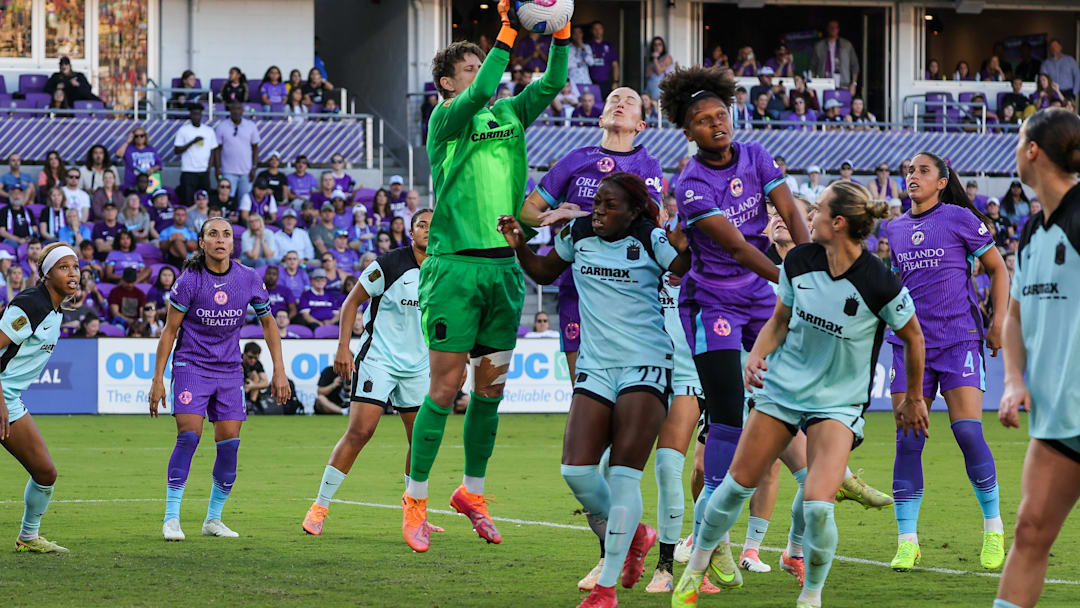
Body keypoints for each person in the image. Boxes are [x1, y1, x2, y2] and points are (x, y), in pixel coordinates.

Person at [670, 182, 925, 608]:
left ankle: (811, 597)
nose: (810, 217)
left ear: (837, 223)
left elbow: (914, 338)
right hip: (783, 391)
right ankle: (694, 570)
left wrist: (914, 397)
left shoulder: (880, 282)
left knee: (819, 507)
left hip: (838, 403)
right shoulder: (800, 262)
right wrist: (756, 356)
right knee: (734, 488)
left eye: (819, 210)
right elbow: (780, 320)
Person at [402, 0, 569, 553]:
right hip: (454, 269)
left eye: (483, 65)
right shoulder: (447, 118)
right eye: (470, 68)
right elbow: (478, 94)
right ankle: (415, 501)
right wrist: (505, 30)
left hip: (504, 269)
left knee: (490, 392)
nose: (482, 76)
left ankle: (472, 493)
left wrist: (561, 36)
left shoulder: (509, 116)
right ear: (447, 82)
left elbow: (550, 85)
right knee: (445, 387)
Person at [499, 173, 691, 608]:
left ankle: (606, 587)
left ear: (633, 211)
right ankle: (637, 531)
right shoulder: (578, 233)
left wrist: (684, 244)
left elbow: (679, 267)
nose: (598, 212)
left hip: (647, 365)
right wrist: (520, 246)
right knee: (577, 472)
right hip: (595, 367)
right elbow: (546, 272)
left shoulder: (649, 237)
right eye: (597, 204)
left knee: (624, 476)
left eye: (608, 206)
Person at [659, 65, 812, 586]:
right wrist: (792, 280)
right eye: (703, 121)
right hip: (712, 304)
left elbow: (789, 207)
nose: (716, 125)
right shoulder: (691, 182)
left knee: (788, 389)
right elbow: (738, 247)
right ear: (688, 131)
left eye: (720, 115)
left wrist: (811, 261)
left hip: (756, 298)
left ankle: (824, 478)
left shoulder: (756, 155)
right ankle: (713, 536)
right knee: (726, 414)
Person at [885, 151, 1010, 572]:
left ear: (942, 181)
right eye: (909, 171)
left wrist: (998, 323)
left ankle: (993, 529)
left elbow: (998, 269)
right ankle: (907, 542)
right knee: (908, 441)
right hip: (909, 345)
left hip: (959, 340)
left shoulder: (958, 218)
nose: (912, 176)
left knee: (968, 433)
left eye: (922, 171)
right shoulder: (895, 229)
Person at [148, 217, 288, 540]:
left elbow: (269, 325)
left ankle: (213, 519)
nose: (221, 240)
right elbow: (169, 331)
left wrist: (279, 370)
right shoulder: (189, 280)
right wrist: (157, 378)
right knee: (189, 436)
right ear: (202, 243)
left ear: (232, 243)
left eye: (226, 234)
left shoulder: (249, 279)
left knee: (230, 446)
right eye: (213, 234)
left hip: (229, 371)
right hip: (191, 366)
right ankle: (171, 519)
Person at [993, 108, 1080, 608]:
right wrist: (1011, 380)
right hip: (1057, 420)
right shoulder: (1030, 232)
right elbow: (1016, 318)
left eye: (1018, 138)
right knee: (1029, 532)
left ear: (1033, 151)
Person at [302, 210, 434, 532]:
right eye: (422, 225)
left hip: (419, 366)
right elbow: (351, 304)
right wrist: (343, 347)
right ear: (410, 232)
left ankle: (414, 512)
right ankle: (319, 507)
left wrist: (458, 361)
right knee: (361, 431)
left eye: (435, 226)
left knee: (420, 440)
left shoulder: (445, 268)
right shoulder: (389, 264)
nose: (429, 231)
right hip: (379, 360)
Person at [521, 85, 662, 382]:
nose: (620, 104)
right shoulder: (576, 159)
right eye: (614, 99)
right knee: (583, 393)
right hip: (576, 287)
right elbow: (527, 212)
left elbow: (650, 224)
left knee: (627, 394)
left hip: (627, 290)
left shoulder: (647, 166)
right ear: (600, 118)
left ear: (641, 125)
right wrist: (551, 215)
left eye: (630, 101)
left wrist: (580, 216)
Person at [0, 242, 80, 553]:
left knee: (45, 472)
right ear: (47, 274)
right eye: (64, 267)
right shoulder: (32, 304)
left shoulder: (55, 308)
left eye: (75, 267)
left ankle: (28, 537)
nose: (72, 273)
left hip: (9, 399)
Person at [213, 102, 260, 204]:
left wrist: (254, 167)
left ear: (242, 111)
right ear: (230, 111)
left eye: (238, 109)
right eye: (233, 109)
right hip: (228, 171)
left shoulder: (250, 126)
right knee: (227, 201)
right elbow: (217, 149)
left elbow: (255, 148)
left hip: (246, 172)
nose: (236, 111)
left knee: (245, 202)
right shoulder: (222, 126)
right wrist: (217, 168)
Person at [173, 104, 218, 205]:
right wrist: (192, 142)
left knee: (205, 201)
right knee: (188, 200)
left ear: (201, 115)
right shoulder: (183, 130)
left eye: (198, 114)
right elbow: (177, 150)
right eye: (194, 114)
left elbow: (213, 151)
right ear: (190, 115)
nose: (196, 116)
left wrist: (209, 168)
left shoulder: (209, 131)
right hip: (188, 171)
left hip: (204, 172)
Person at [811, 20, 859, 95]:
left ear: (838, 29)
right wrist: (813, 85)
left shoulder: (847, 45)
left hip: (843, 84)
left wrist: (854, 84)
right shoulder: (819, 46)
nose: (833, 29)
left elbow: (855, 66)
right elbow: (812, 67)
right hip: (824, 84)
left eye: (835, 27)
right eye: (831, 27)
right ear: (827, 29)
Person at [114, 126, 163, 192]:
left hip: (150, 184)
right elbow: (118, 154)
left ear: (145, 137)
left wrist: (152, 169)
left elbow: (159, 164)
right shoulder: (129, 148)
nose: (139, 138)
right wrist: (127, 141)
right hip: (132, 185)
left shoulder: (151, 149)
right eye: (136, 136)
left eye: (142, 136)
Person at [586, 21, 619, 98]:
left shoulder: (609, 46)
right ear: (592, 31)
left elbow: (615, 65)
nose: (597, 31)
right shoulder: (587, 45)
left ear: (603, 30)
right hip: (590, 82)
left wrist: (615, 81)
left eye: (599, 29)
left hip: (606, 82)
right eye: (595, 29)